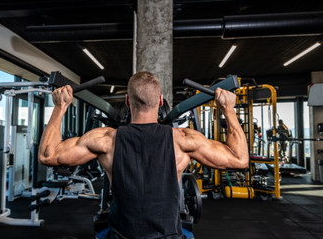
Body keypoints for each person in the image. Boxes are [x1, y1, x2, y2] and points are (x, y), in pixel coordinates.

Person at [39, 71, 249, 238]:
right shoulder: (182, 140)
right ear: (160, 101)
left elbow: (48, 155)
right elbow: (239, 159)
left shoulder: (106, 140)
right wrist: (228, 109)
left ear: (128, 101)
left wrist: (60, 107)